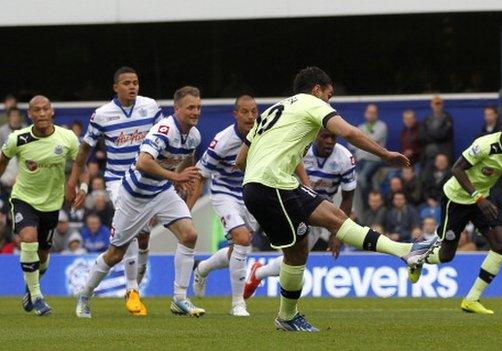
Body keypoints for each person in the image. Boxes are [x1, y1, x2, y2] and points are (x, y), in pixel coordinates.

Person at [237, 67, 434, 332]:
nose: (329, 102)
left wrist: (262, 173)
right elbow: (349, 132)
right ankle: (287, 317)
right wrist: (385, 154)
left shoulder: (275, 109)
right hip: (271, 185)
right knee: (296, 252)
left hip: (276, 182)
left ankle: (406, 251)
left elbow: (240, 160)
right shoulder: (310, 103)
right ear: (317, 89)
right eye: (329, 96)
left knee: (335, 217)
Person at [76, 86, 205, 319]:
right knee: (115, 254)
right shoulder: (164, 130)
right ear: (177, 109)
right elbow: (143, 163)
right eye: (190, 108)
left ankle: (179, 299)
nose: (195, 112)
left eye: (198, 107)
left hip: (162, 192)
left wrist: (181, 177)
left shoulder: (194, 135)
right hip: (134, 196)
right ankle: (85, 295)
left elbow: (188, 158)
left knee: (189, 235)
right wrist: (176, 176)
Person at [67, 66, 163, 316]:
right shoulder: (102, 114)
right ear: (116, 87)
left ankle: (134, 287)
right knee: (130, 233)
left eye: (136, 82)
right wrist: (76, 181)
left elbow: (166, 138)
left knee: (143, 237)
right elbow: (84, 150)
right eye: (127, 82)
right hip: (118, 181)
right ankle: (130, 290)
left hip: (147, 178)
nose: (133, 86)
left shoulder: (150, 106)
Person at [413, 114, 502, 314]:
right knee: (446, 255)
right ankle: (417, 256)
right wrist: (478, 197)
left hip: (480, 200)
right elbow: (457, 169)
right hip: (456, 198)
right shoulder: (484, 145)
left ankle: (472, 299)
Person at [244, 127, 357, 299]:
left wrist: (337, 234)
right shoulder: (301, 151)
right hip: (292, 206)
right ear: (315, 135)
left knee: (294, 259)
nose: (329, 141)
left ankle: (258, 273)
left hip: (320, 214)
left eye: (333, 137)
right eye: (324, 136)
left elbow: (348, 198)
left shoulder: (345, 159)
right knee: (294, 258)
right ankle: (273, 289)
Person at [0, 95, 79, 315]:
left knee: (43, 255)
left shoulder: (67, 138)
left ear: (52, 111)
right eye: (37, 110)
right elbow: (3, 160)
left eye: (46, 109)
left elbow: (79, 162)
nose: (42, 113)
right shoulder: (18, 138)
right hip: (24, 199)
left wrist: (78, 187)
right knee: (28, 239)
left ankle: (30, 285)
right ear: (30, 114)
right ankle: (37, 296)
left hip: (52, 204)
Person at [186, 95, 264, 316]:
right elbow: (200, 175)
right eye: (245, 112)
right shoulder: (223, 140)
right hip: (224, 193)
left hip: (251, 195)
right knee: (242, 240)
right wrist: (186, 211)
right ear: (235, 114)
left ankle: (202, 268)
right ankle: (238, 303)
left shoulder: (264, 133)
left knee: (238, 249)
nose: (251, 116)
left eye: (254, 111)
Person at [352, 104, 387, 197]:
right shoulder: (361, 127)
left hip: (374, 159)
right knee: (356, 181)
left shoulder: (382, 126)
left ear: (377, 114)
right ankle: (363, 205)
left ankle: (370, 202)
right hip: (360, 159)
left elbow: (372, 140)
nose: (371, 115)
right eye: (369, 112)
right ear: (365, 113)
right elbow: (353, 143)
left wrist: (361, 138)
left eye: (373, 113)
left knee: (363, 178)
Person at [421, 96, 453, 168]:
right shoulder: (426, 119)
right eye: (436, 104)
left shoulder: (447, 118)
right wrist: (436, 134)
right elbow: (422, 136)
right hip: (429, 154)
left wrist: (429, 133)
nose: (437, 106)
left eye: (439, 103)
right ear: (431, 105)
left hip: (444, 153)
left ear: (442, 105)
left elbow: (443, 135)